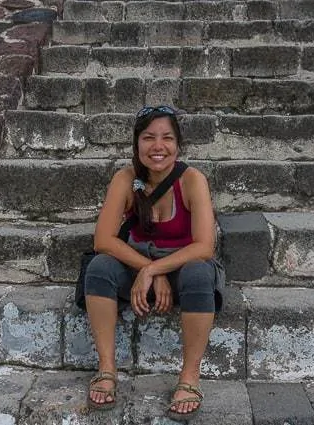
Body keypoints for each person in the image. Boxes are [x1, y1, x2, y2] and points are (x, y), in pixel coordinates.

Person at [83, 105, 224, 420]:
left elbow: (204, 247)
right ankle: (106, 369)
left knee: (202, 274)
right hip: (136, 265)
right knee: (99, 267)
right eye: (148, 138)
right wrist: (146, 269)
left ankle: (189, 378)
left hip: (183, 267)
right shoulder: (126, 178)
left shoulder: (192, 180)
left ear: (178, 145)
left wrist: (154, 270)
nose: (158, 147)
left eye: (167, 138)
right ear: (136, 144)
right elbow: (103, 241)